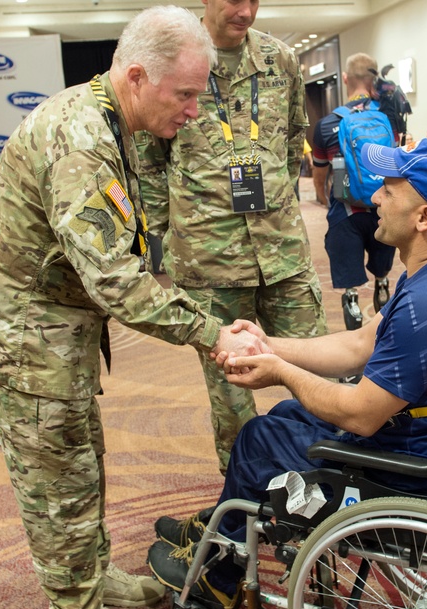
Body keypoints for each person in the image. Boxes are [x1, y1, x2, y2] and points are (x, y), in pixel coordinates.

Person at [0, 7, 268, 609]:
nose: (192, 110)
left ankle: (91, 577)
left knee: (81, 461)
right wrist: (212, 332)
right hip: (26, 347)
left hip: (53, 336)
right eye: (183, 94)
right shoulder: (82, 143)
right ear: (135, 76)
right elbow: (118, 280)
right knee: (58, 483)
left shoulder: (110, 123)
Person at [147, 139, 427, 609]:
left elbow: (360, 416)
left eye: (390, 192)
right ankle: (220, 525)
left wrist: (279, 373)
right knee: (290, 414)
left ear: (424, 217)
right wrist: (270, 345)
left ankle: (217, 576)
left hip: (403, 470)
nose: (374, 198)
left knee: (258, 440)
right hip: (423, 436)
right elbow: (358, 346)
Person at [138, 0, 328, 475]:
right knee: (230, 391)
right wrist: (168, 236)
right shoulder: (176, 61)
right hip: (208, 261)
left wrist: (278, 206)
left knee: (316, 369)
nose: (244, 10)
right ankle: (246, 490)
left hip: (283, 253)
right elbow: (149, 163)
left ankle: (326, 476)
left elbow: (290, 144)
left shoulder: (280, 59)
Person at [312, 53, 397, 332]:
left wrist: (326, 201)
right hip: (383, 210)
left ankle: (352, 368)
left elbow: (320, 175)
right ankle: (383, 335)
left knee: (351, 290)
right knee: (382, 275)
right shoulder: (388, 117)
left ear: (346, 78)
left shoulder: (326, 124)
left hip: (344, 212)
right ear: (373, 80)